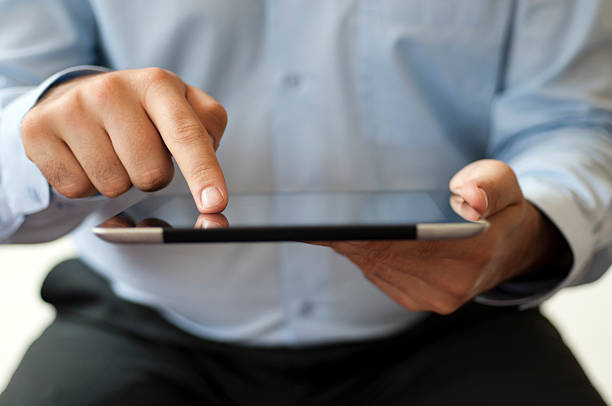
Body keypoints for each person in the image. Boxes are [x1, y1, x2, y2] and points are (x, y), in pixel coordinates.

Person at [0, 1, 610, 405]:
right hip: (141, 323)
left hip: (459, 324)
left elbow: (574, 119)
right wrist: (47, 128)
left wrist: (527, 235)